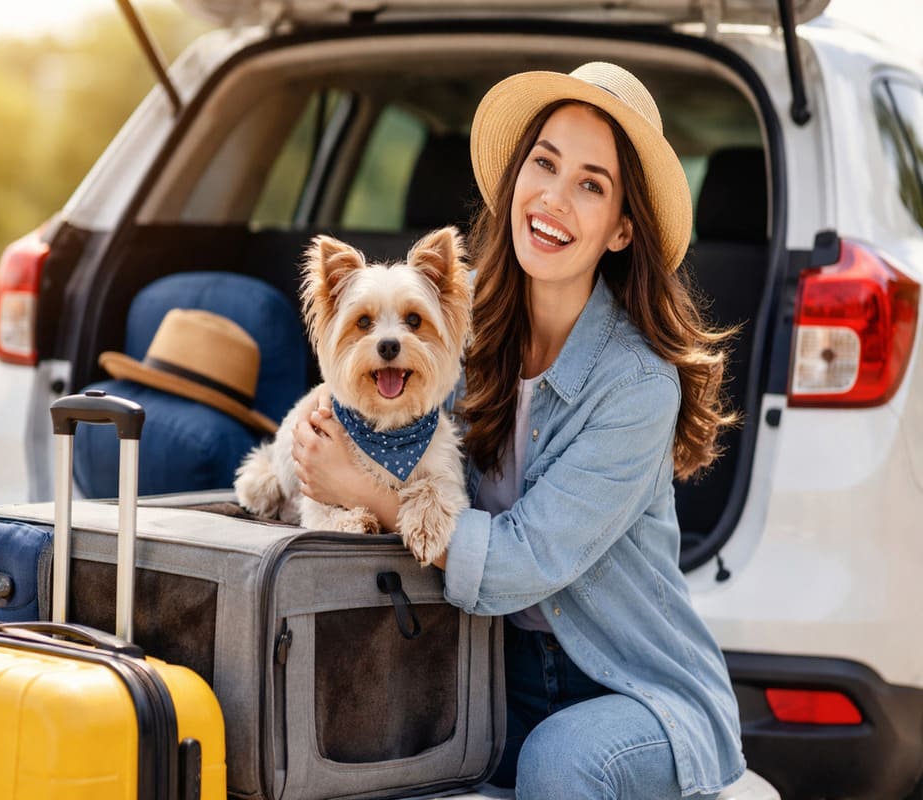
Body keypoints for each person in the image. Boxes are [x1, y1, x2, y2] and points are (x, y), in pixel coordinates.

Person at [290, 61, 746, 799]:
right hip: (493, 672)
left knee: (560, 763)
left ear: (622, 228)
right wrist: (321, 434)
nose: (554, 199)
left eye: (592, 184)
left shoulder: (638, 386)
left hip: (636, 691)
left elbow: (516, 563)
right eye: (544, 163)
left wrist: (365, 493)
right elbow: (380, 418)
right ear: (516, 182)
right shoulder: (458, 348)